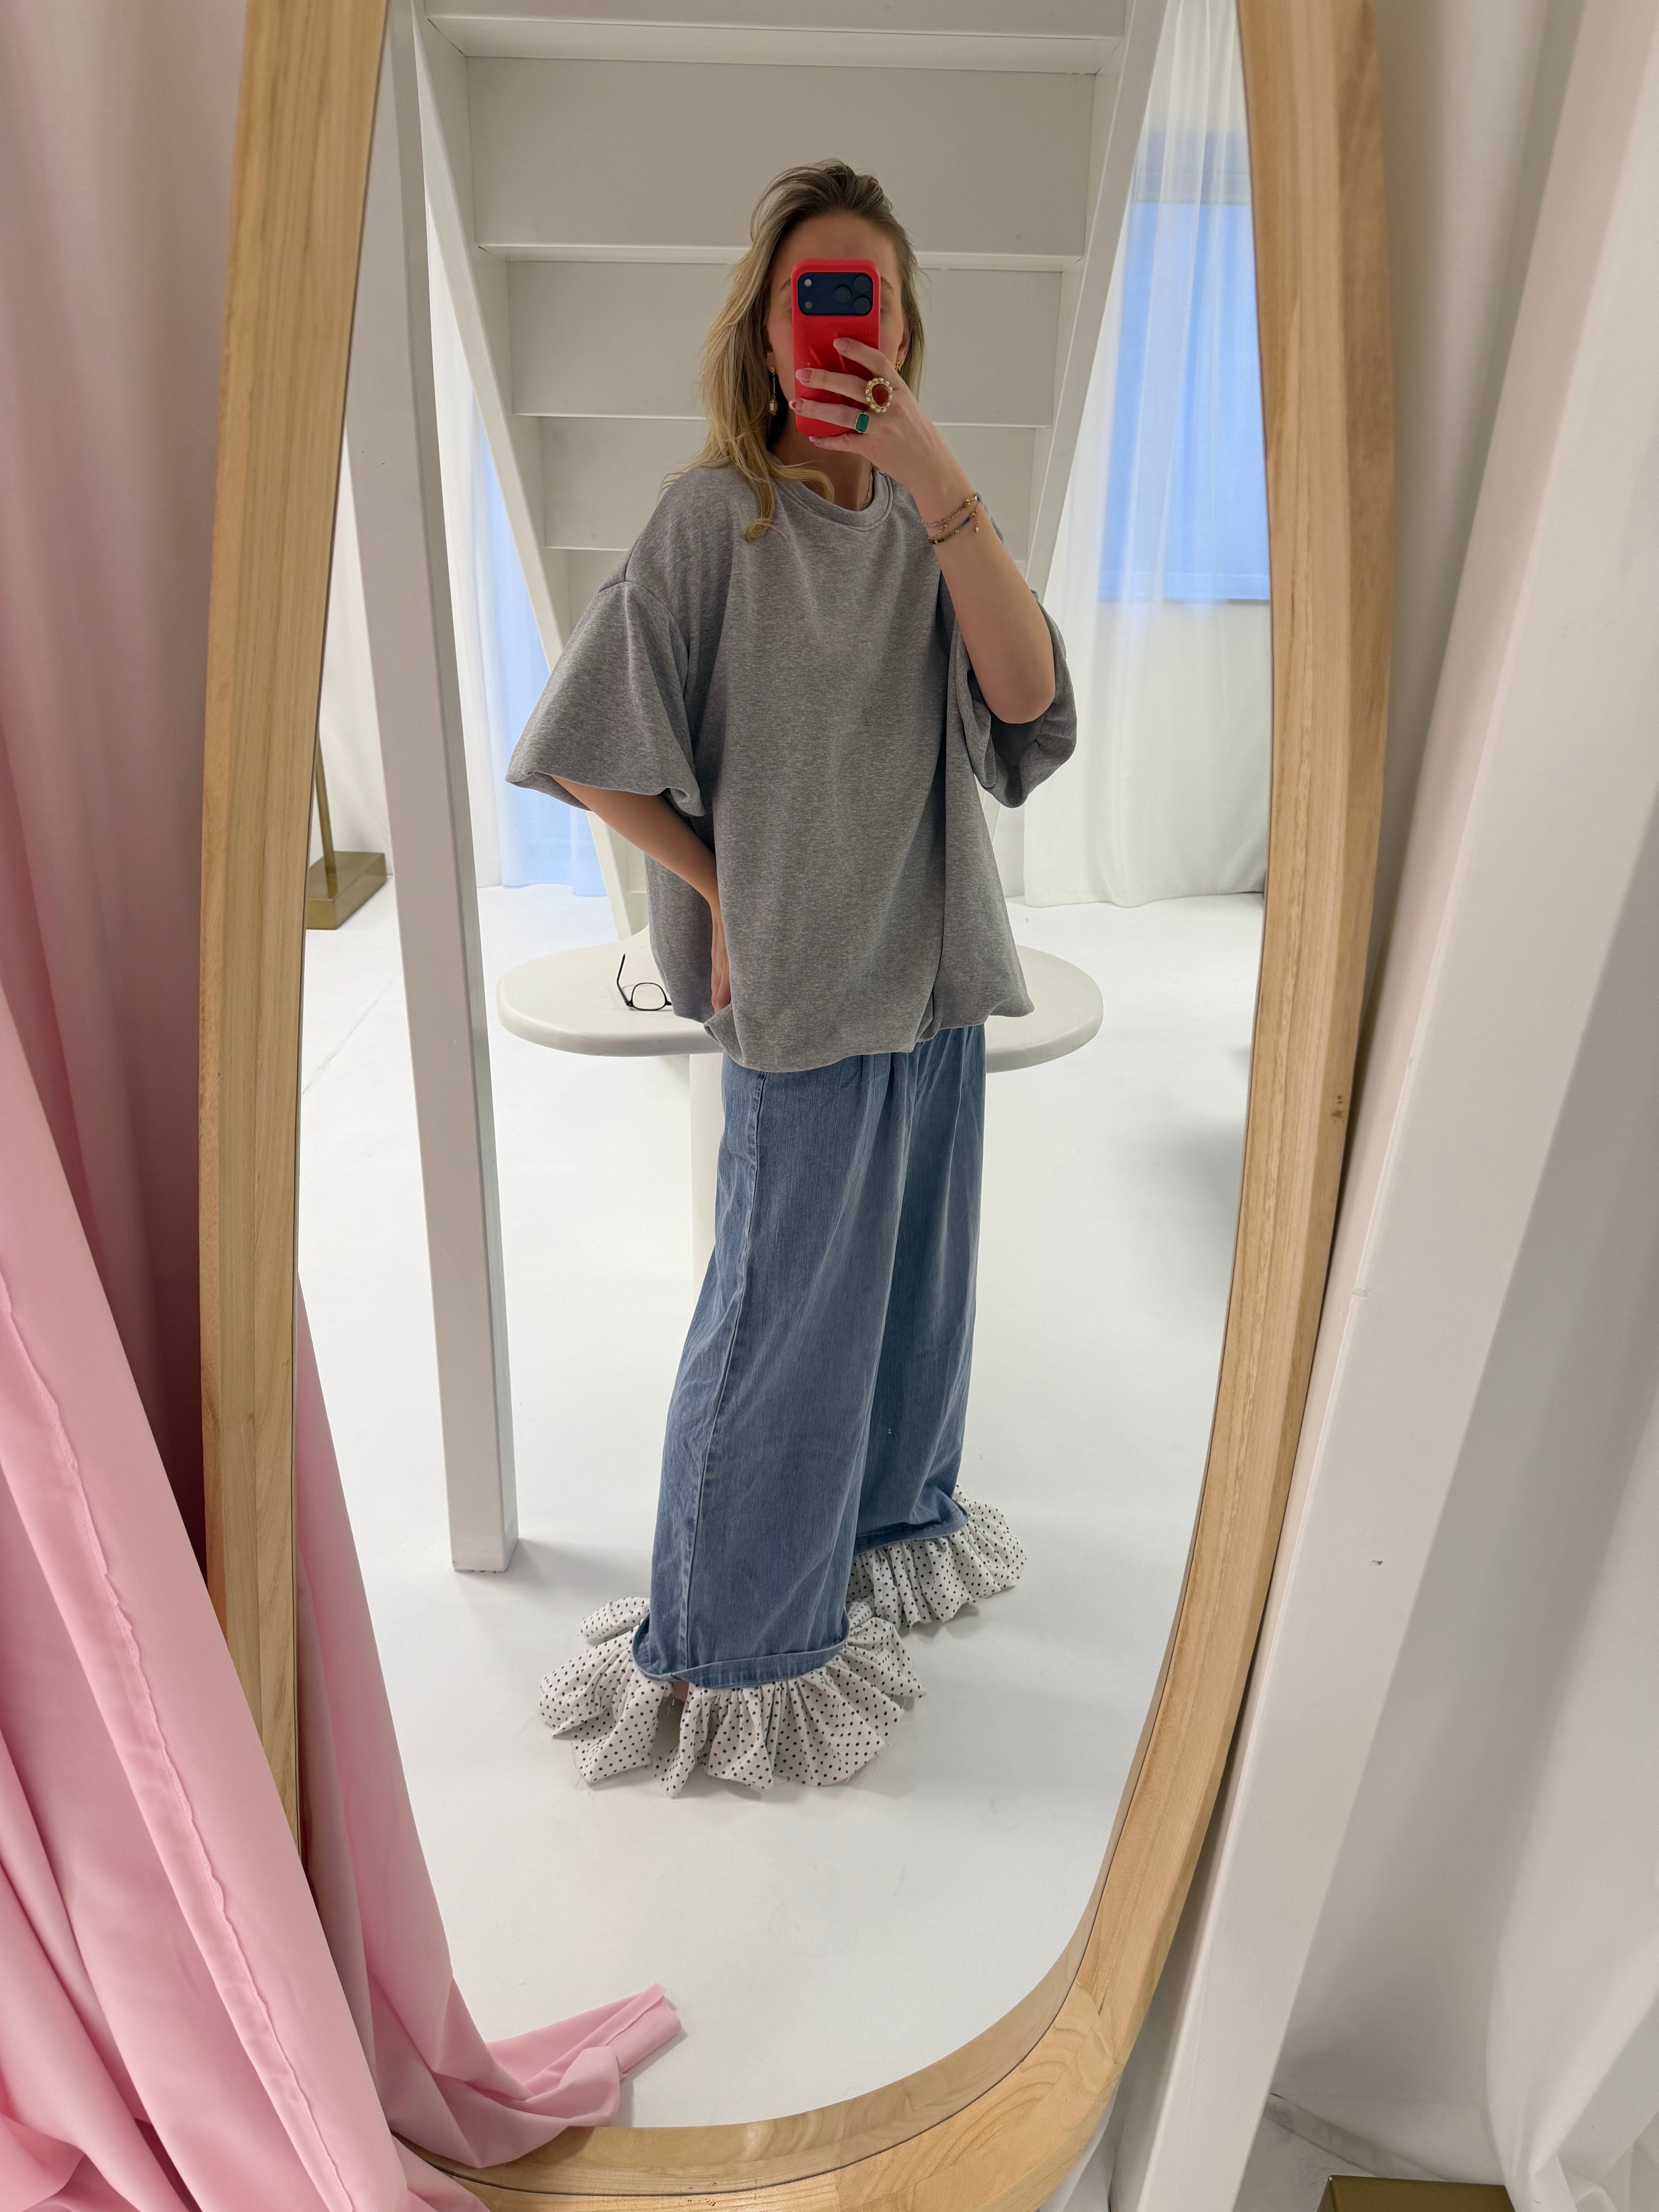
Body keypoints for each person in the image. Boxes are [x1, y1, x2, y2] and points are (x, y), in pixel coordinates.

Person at [507, 158, 1077, 1795]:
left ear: (900, 327)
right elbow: (582, 747)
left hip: (933, 970)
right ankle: (731, 1644)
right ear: (764, 335)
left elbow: (1025, 707)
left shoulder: (928, 520)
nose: (839, 327)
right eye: (809, 299)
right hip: (810, 988)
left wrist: (934, 475)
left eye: (866, 298)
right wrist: (721, 891)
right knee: (777, 1321)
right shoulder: (714, 521)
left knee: (912, 1295)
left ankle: (881, 1530)